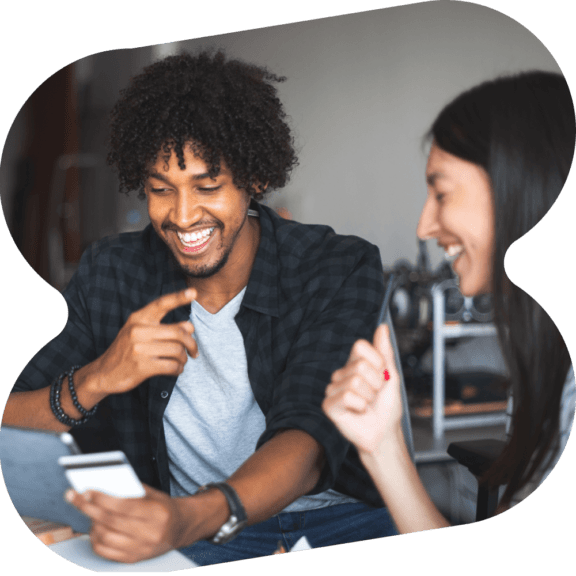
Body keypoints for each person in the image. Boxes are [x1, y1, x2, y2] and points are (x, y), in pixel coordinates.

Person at [3, 51, 404, 566]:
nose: (183, 215)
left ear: (254, 178)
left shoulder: (334, 265)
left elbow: (307, 439)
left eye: (208, 186)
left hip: (334, 520)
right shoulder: (113, 272)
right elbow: (12, 409)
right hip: (193, 533)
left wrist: (187, 517)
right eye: (160, 189)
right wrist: (97, 378)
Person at [323, 70, 576, 533]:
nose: (424, 226)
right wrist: (382, 447)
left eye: (441, 193)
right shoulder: (546, 366)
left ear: (522, 186)